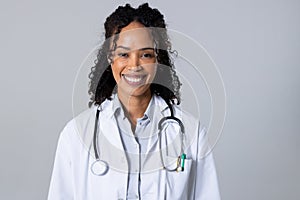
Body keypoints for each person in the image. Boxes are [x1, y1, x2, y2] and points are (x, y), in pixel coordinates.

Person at [48, 3, 220, 200]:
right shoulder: (76, 135)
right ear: (110, 58)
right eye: (124, 54)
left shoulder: (191, 133)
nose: (134, 65)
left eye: (146, 55)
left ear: (158, 59)